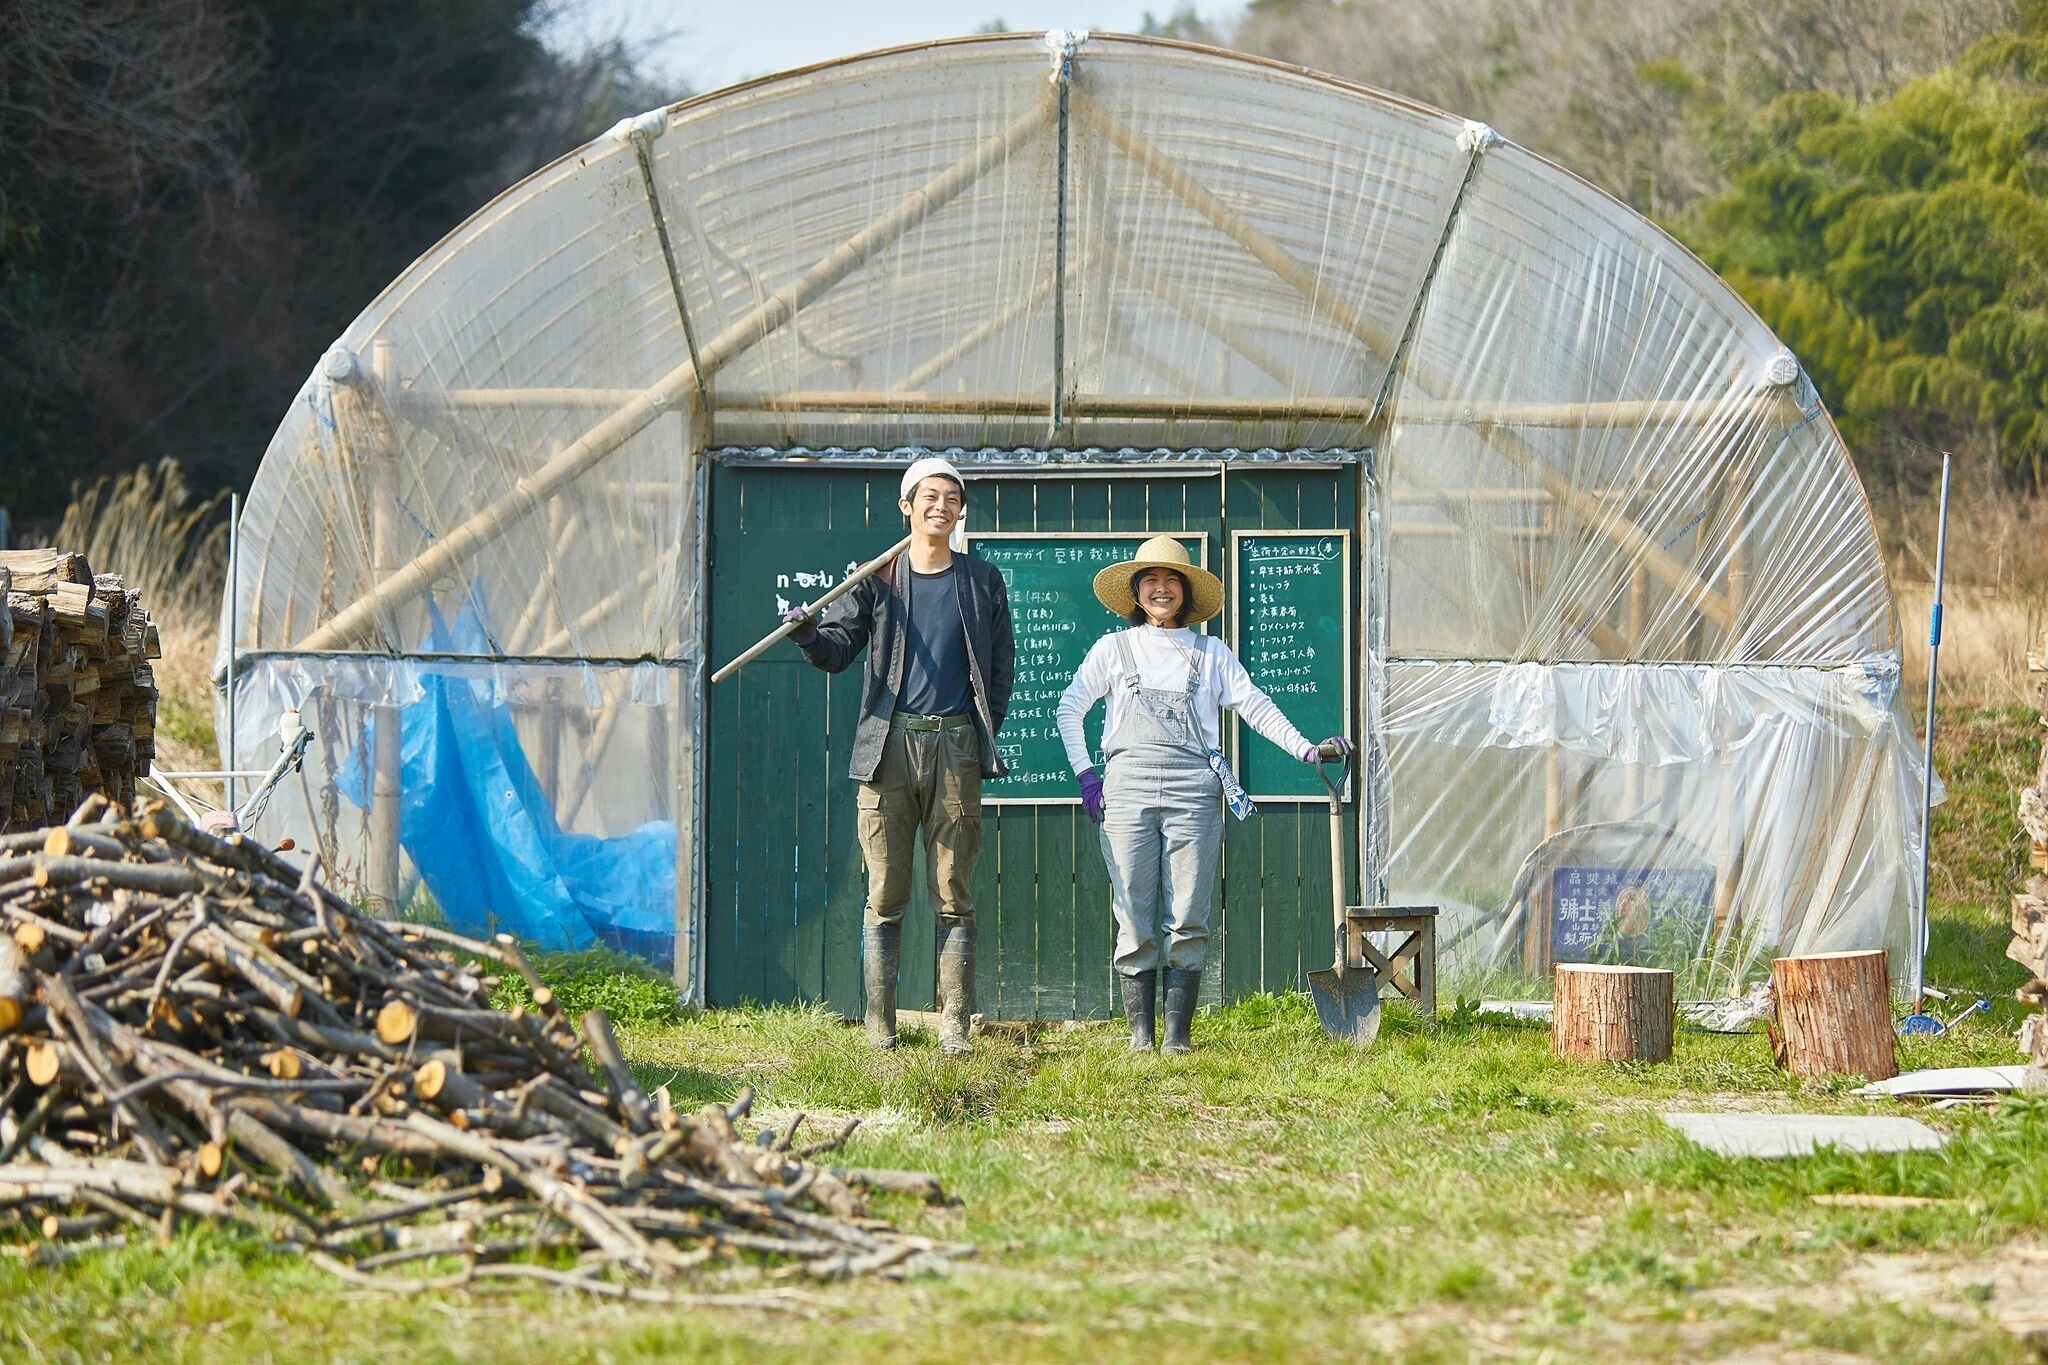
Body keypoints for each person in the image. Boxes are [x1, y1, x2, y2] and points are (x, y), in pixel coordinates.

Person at [1056, 535, 1350, 1054]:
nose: (1162, 589)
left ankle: (1177, 1038)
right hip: (1126, 789)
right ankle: (1140, 1038)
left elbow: (1254, 706)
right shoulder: (1111, 649)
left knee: (1189, 913)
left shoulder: (1211, 653)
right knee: (1133, 912)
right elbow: (1068, 709)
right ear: (1136, 591)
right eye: (1152, 580)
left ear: (1188, 594)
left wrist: (1305, 749)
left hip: (1195, 790)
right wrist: (1087, 776)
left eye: (1173, 581)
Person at [782, 458, 1015, 1055]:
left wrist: (977, 729)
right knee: (885, 890)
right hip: (887, 748)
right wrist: (807, 633)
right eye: (929, 496)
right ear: (906, 507)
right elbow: (836, 651)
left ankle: (954, 1026)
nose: (942, 506)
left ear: (961, 511)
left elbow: (1000, 669)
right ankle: (879, 1027)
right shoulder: (876, 579)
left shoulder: (983, 581)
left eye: (952, 498)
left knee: (952, 891)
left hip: (956, 747)